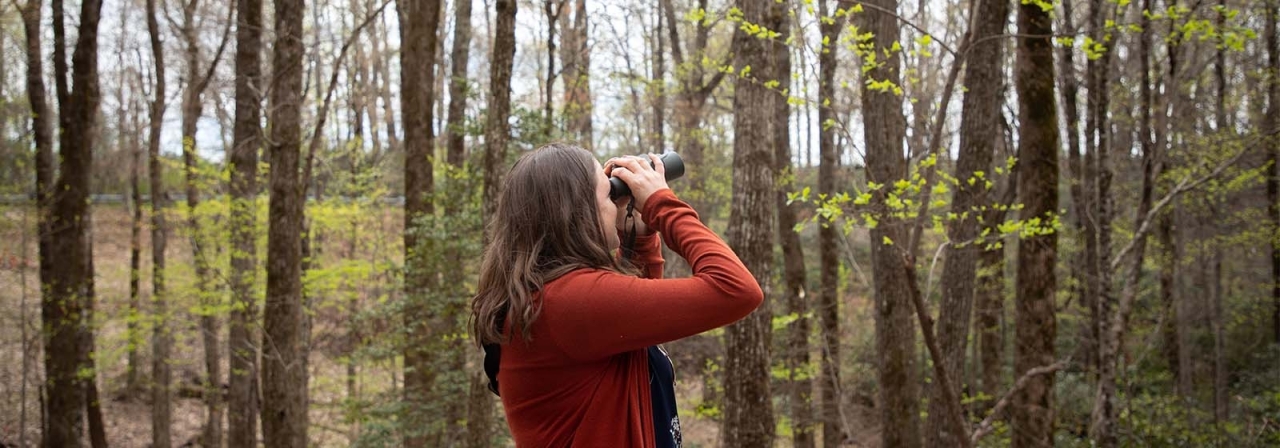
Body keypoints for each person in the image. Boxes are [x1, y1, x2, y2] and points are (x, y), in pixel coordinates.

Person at [470, 143, 762, 447]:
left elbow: (633, 342)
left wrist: (639, 236)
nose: (615, 202)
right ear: (579, 213)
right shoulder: (571, 301)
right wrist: (662, 203)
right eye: (607, 193)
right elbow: (736, 289)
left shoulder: (548, 296)